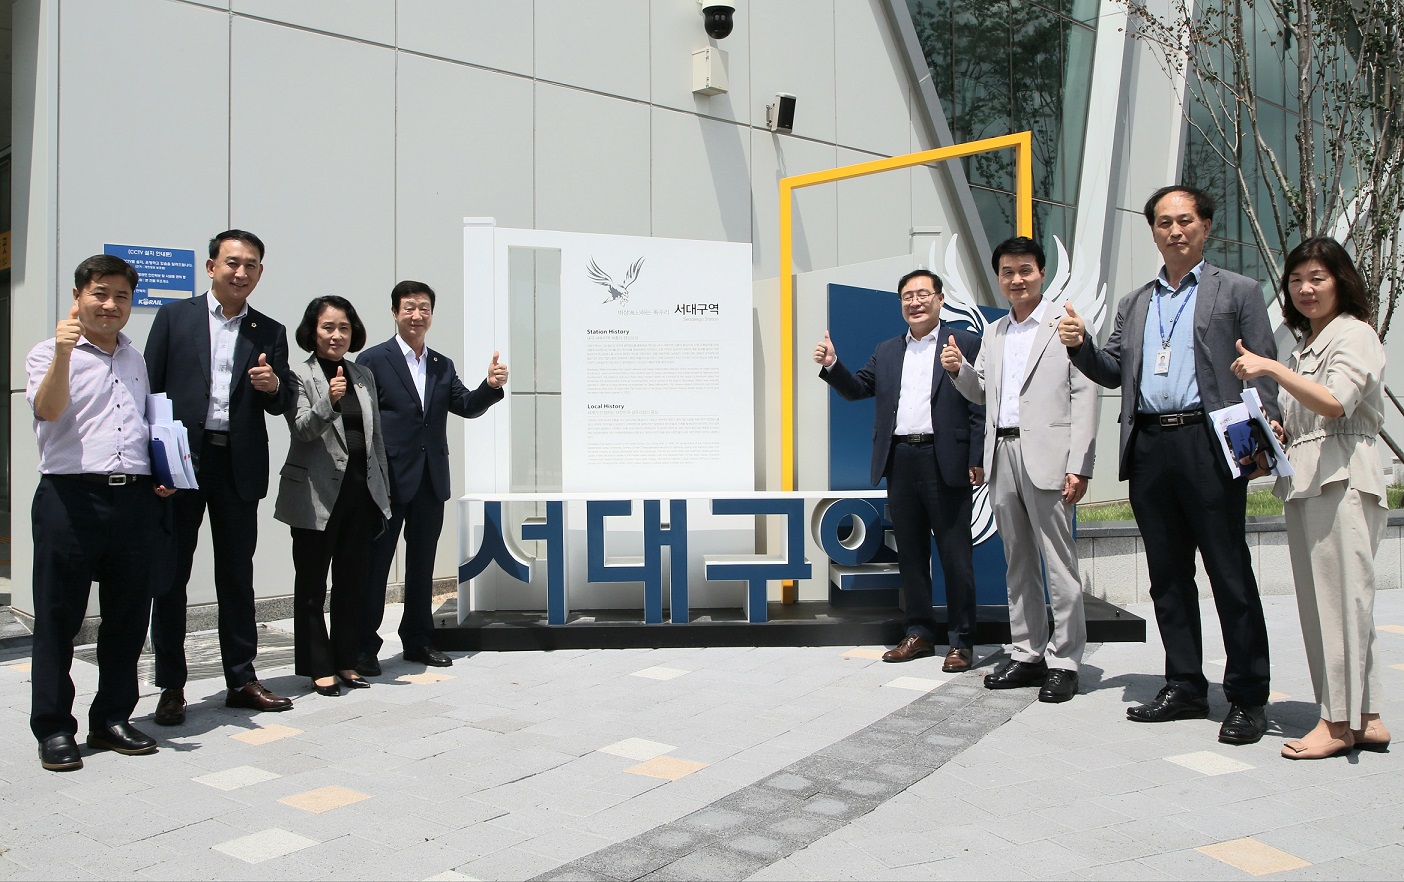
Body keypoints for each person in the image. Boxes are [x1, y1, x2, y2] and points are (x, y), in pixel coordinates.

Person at [1057, 185, 1278, 745]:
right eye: (1163, 222)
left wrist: (1265, 430)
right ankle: (1184, 684)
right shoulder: (1135, 303)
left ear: (1205, 226)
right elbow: (1111, 370)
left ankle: (1248, 696)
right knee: (1167, 577)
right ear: (1153, 231)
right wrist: (1079, 346)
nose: (1174, 230)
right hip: (1150, 446)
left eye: (1185, 220)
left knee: (1229, 572)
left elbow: (1262, 367)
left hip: (1210, 442)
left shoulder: (1239, 290)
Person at [1230, 237, 1391, 759]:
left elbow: (1336, 402)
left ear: (1341, 281)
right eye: (1296, 280)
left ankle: (1337, 723)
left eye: (1317, 278)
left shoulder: (1354, 333)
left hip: (1340, 481)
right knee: (1341, 601)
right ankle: (1367, 716)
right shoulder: (1309, 346)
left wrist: (1271, 368)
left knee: (1337, 604)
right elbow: (1310, 418)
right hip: (1311, 480)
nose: (1305, 289)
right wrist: (1274, 434)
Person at [27, 255, 178, 771]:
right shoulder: (49, 351)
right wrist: (63, 353)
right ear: (78, 296)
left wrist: (159, 470)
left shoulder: (134, 358)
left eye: (121, 296)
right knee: (58, 618)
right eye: (100, 293)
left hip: (133, 500)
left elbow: (138, 424)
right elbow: (47, 410)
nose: (111, 304)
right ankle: (54, 728)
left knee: (128, 617)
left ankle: (112, 717)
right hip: (70, 499)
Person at [146, 230, 294, 725]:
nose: (241, 272)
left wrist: (273, 386)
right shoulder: (175, 317)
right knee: (172, 576)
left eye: (251, 265)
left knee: (236, 574)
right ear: (211, 267)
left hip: (237, 464)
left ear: (260, 273)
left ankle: (241, 678)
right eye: (232, 262)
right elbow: (151, 390)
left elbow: (282, 402)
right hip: (181, 462)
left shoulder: (269, 330)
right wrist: (155, 463)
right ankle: (171, 686)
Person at [943, 237, 1097, 702]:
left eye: (1025, 270)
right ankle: (1028, 653)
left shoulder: (1064, 324)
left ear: (1041, 273)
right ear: (998, 278)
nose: (1016, 279)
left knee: (1059, 562)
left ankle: (1065, 661)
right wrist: (958, 370)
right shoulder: (995, 332)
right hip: (1002, 454)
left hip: (1049, 456)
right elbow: (981, 392)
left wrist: (1080, 464)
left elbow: (1084, 395)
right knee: (1018, 562)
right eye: (1007, 272)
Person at [815, 270, 985, 671]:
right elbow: (858, 389)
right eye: (907, 296)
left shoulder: (965, 343)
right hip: (901, 459)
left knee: (955, 555)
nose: (915, 302)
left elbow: (980, 404)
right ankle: (919, 633)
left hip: (946, 458)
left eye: (923, 294)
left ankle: (961, 642)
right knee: (910, 554)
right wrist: (833, 365)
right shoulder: (888, 350)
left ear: (940, 299)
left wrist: (977, 457)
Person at [355, 281, 506, 673]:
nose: (417, 315)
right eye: (409, 307)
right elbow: (361, 422)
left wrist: (490, 386)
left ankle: (418, 640)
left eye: (424, 308)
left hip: (430, 480)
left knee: (422, 566)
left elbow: (466, 405)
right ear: (394, 312)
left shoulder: (441, 364)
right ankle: (363, 647)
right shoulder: (373, 360)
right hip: (388, 482)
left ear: (431, 315)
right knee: (376, 566)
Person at [275, 296, 392, 696]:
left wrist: (383, 493)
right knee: (312, 585)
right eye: (328, 327)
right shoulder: (298, 375)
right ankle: (318, 666)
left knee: (351, 583)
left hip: (360, 495)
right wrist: (331, 400)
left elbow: (375, 439)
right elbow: (303, 429)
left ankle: (345, 660)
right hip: (315, 496)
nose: (336, 335)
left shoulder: (363, 374)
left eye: (344, 327)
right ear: (313, 332)